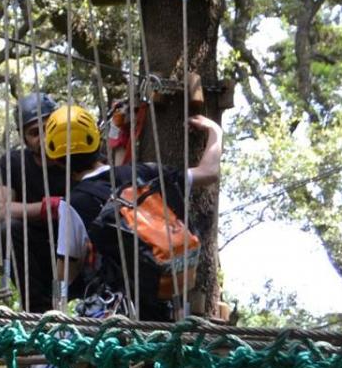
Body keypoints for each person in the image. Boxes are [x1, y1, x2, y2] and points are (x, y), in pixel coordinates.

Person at [46, 105, 223, 322]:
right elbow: (209, 172)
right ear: (97, 142)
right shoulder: (146, 173)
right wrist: (215, 132)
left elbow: (65, 274)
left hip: (116, 316)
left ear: (55, 160)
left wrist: (54, 306)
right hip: (166, 309)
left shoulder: (74, 204)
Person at [0, 93, 64, 312]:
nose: (43, 136)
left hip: (78, 251)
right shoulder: (14, 162)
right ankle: (38, 313)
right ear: (24, 138)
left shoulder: (77, 155)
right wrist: (50, 207)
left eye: (49, 127)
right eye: (34, 132)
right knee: (6, 230)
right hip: (36, 256)